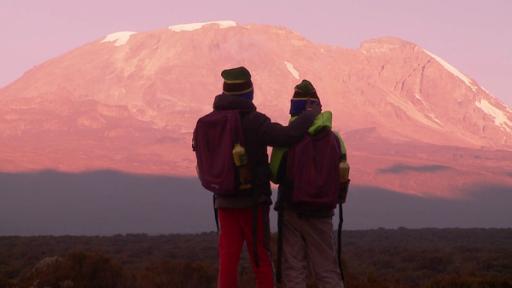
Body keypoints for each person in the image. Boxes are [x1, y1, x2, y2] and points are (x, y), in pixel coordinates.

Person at [197, 67, 319, 288]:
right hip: (253, 203)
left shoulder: (209, 122)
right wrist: (310, 116)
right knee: (260, 259)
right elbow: (286, 137)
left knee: (228, 261)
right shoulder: (255, 121)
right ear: (248, 93)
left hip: (223, 201)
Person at [270, 80, 348, 288]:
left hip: (291, 210)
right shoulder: (335, 139)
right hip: (322, 213)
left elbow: (275, 175)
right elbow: (342, 173)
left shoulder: (288, 138)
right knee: (327, 269)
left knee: (294, 267)